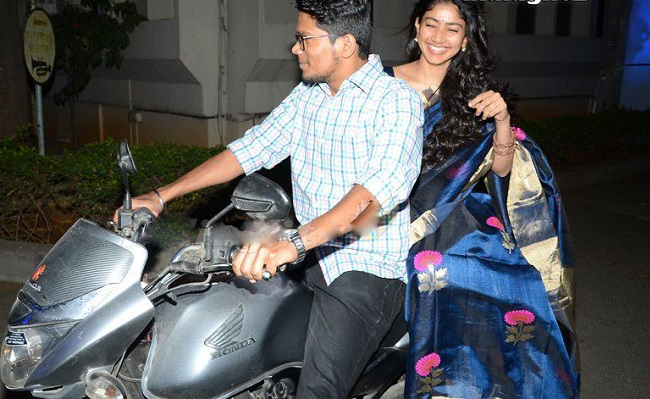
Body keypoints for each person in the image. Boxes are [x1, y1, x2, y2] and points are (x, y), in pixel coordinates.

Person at [116, 0, 423, 397]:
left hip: (365, 270)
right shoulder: (308, 96)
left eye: (303, 39)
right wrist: (161, 196)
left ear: (345, 44)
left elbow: (368, 200)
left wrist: (289, 246)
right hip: (308, 255)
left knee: (316, 391)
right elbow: (249, 150)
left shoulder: (396, 101)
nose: (295, 48)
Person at [384, 1, 580, 397]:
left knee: (520, 280)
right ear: (416, 27)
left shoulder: (473, 93)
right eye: (432, 25)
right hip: (398, 210)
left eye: (452, 29)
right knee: (432, 270)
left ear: (465, 39)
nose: (439, 37)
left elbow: (502, 171)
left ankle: (495, 384)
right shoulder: (381, 82)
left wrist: (502, 120)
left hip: (462, 212)